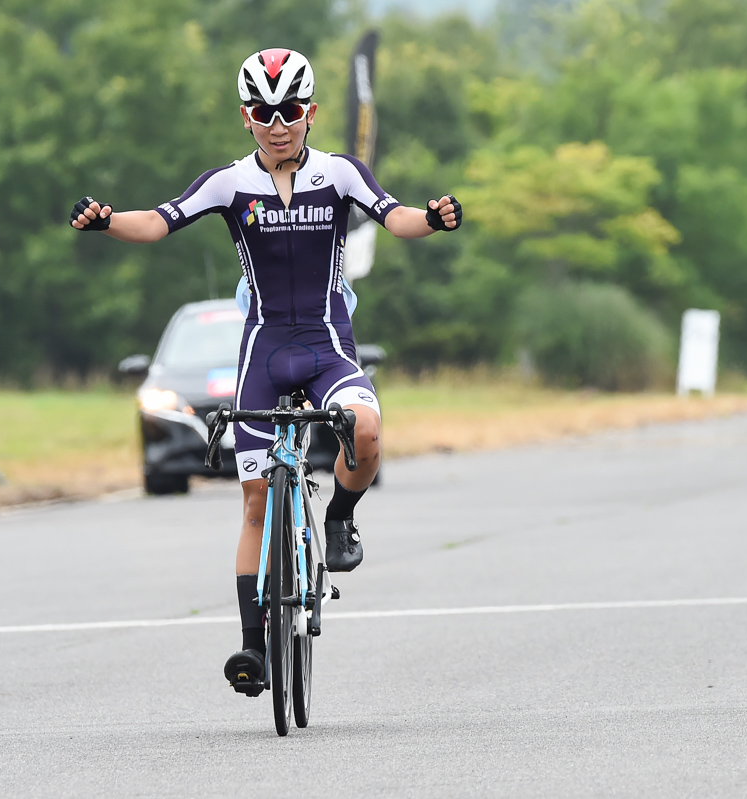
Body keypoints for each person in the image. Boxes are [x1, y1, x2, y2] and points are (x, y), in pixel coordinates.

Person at [69, 48, 462, 695]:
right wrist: (108, 220)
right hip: (264, 351)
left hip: (327, 344)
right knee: (254, 500)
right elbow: (159, 221)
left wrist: (435, 219)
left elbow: (396, 217)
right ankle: (252, 646)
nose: (278, 124)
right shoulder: (229, 184)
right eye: (262, 112)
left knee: (365, 429)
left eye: (290, 111)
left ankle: (338, 516)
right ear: (245, 117)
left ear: (310, 112)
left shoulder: (338, 174)